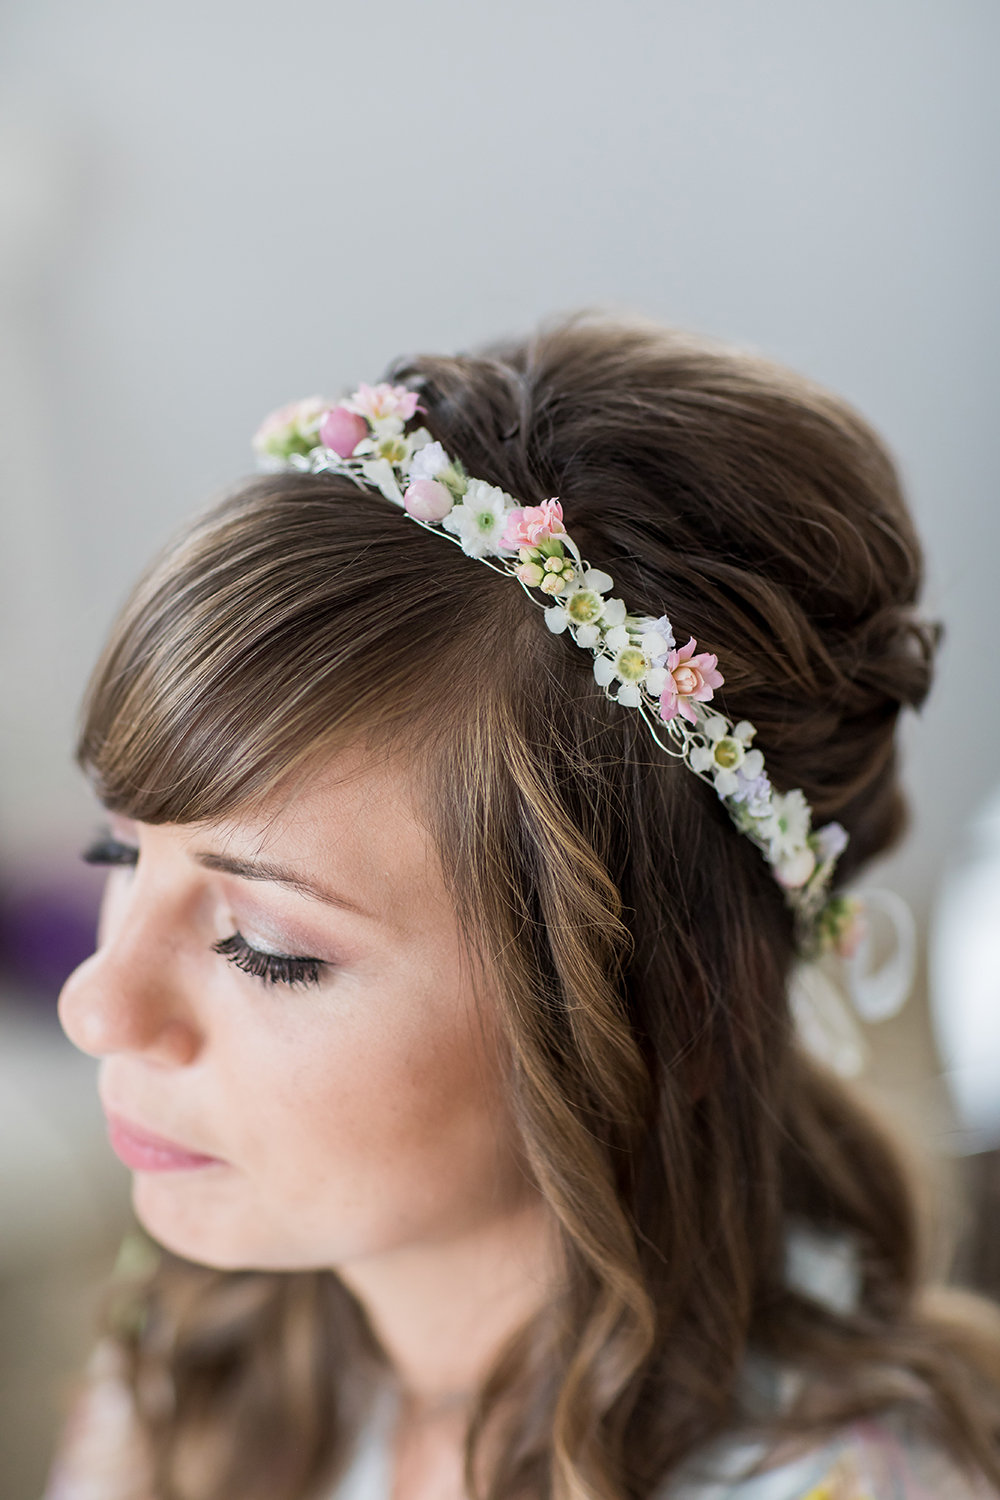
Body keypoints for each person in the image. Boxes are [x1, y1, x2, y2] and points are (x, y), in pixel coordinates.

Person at [47, 318, 1000, 1500]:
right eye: (119, 852)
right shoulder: (192, 1363)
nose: (97, 1006)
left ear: (676, 1000)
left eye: (267, 948)